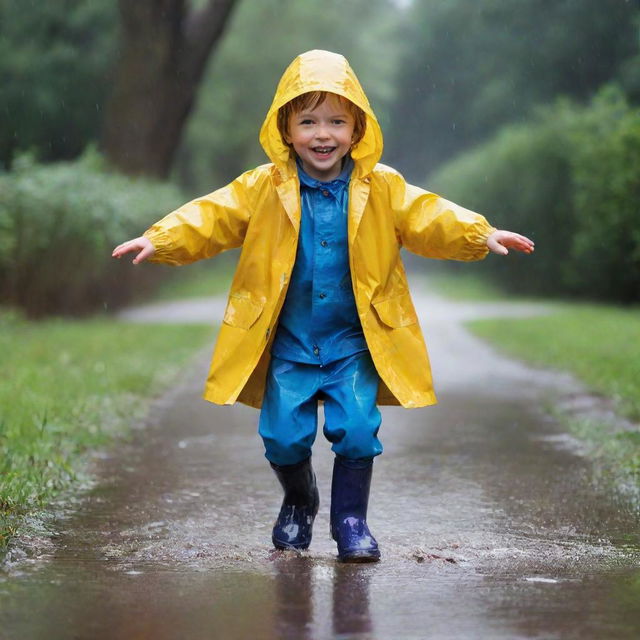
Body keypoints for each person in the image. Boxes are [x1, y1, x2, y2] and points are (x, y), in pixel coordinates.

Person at [112, 50, 534, 563]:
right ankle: (298, 500)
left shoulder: (382, 187)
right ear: (285, 129)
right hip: (287, 341)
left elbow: (429, 215)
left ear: (358, 130)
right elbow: (211, 215)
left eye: (337, 121)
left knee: (357, 432)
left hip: (353, 342)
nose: (322, 134)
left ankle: (351, 520)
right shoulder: (261, 188)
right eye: (307, 120)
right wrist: (161, 239)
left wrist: (480, 233)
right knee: (282, 438)